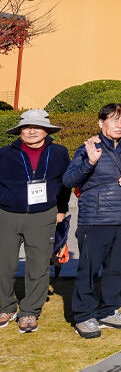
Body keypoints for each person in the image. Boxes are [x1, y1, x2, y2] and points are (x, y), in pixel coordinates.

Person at [64, 103, 121, 338]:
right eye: (114, 120)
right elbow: (69, 179)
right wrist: (91, 162)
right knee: (88, 270)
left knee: (116, 270)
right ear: (100, 123)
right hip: (95, 220)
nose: (119, 125)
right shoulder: (88, 148)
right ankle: (84, 315)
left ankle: (108, 310)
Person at [0, 110, 70, 333]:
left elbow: (65, 183)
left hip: (43, 215)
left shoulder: (59, 153)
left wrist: (62, 209)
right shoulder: (3, 154)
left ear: (46, 131)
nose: (31, 131)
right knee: (4, 264)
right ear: (20, 131)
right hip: (7, 214)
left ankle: (30, 311)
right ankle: (5, 306)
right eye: (26, 127)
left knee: (38, 265)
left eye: (37, 127)